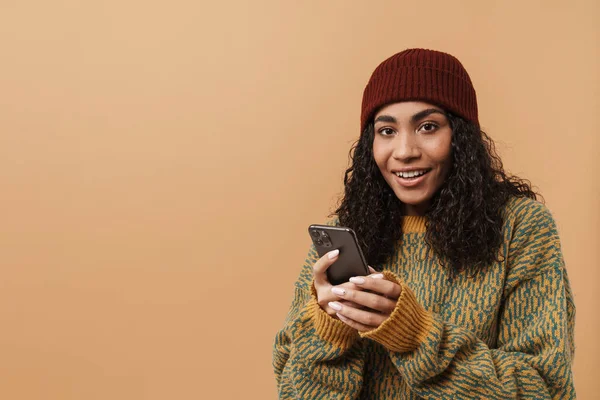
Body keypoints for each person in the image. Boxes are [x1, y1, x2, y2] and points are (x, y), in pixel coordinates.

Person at [272, 48, 576, 399]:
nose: (404, 151)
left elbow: (544, 389)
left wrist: (414, 333)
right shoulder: (345, 233)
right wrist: (329, 330)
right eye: (386, 130)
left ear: (460, 137)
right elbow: (293, 392)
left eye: (427, 127)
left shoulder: (521, 228)